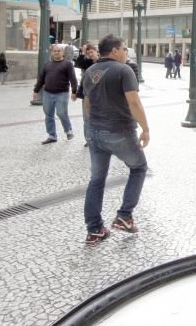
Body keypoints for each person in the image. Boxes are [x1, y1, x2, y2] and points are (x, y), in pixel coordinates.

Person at [82, 35, 150, 245]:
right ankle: (124, 216)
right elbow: (134, 102)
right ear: (114, 51)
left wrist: (95, 125)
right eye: (124, 49)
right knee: (139, 168)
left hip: (95, 132)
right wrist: (145, 129)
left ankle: (94, 230)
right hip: (119, 131)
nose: (125, 52)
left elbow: (87, 105)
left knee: (96, 179)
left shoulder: (90, 71)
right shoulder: (124, 70)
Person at [32, 44, 78, 144]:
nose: (56, 52)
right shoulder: (47, 64)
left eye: (59, 51)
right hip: (47, 93)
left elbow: (73, 79)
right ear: (52, 52)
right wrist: (36, 90)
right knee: (48, 115)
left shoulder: (67, 64)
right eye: (55, 51)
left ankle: (68, 130)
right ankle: (52, 135)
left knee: (61, 113)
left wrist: (74, 91)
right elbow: (41, 78)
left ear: (63, 52)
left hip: (62, 93)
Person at [77, 44, 100, 147]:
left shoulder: (103, 62)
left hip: (100, 95)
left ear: (96, 51)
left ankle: (100, 138)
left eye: (91, 52)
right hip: (87, 94)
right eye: (88, 53)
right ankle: (89, 139)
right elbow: (78, 64)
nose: (90, 54)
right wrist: (82, 53)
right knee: (87, 118)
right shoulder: (87, 63)